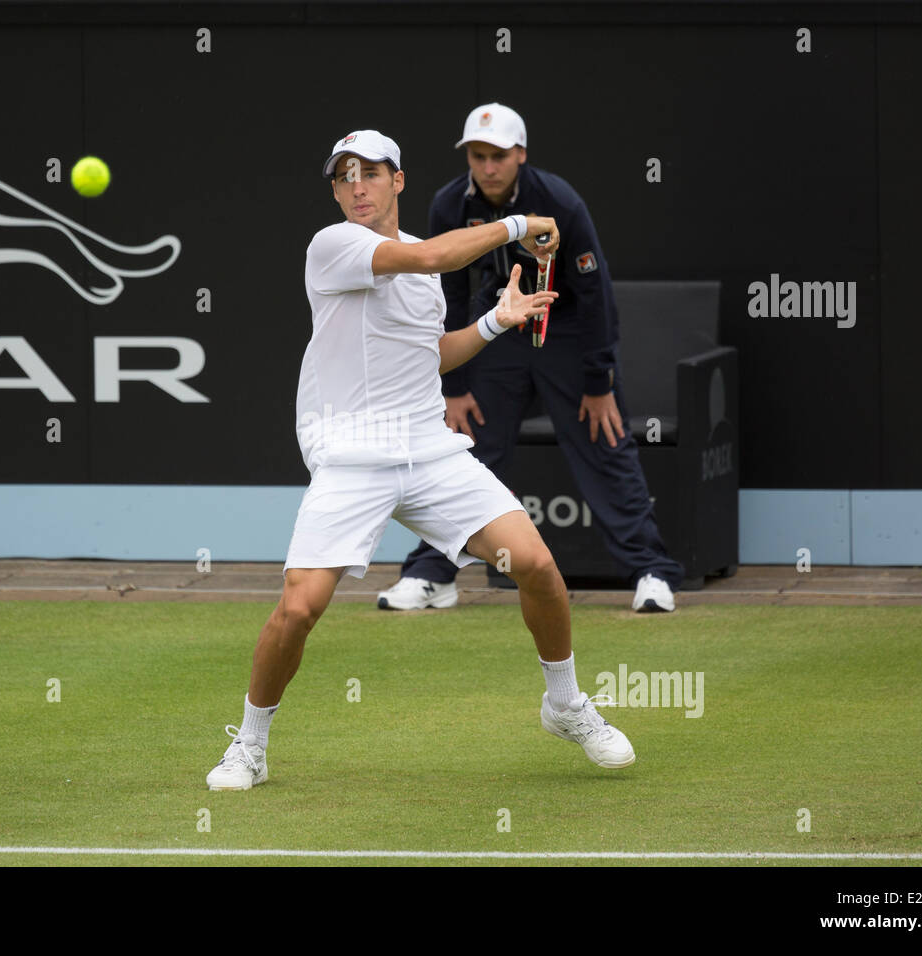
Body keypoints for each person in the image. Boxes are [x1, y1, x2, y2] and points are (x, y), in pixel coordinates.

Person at [205, 130, 635, 791]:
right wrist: (515, 225)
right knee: (299, 609)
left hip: (427, 448)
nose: (356, 185)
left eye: (370, 173)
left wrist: (496, 321)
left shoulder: (420, 271)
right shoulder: (336, 245)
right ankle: (250, 747)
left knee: (538, 566)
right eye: (344, 176)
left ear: (396, 181)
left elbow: (427, 355)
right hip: (351, 452)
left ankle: (565, 704)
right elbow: (436, 254)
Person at [377, 103, 684, 615]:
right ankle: (433, 574)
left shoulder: (559, 200)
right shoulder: (449, 203)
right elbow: (447, 293)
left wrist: (598, 380)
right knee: (463, 449)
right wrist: (452, 387)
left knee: (605, 445)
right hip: (500, 324)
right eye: (479, 156)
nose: (489, 166)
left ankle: (652, 571)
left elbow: (594, 292)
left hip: (563, 328)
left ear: (520, 154)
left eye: (499, 155)